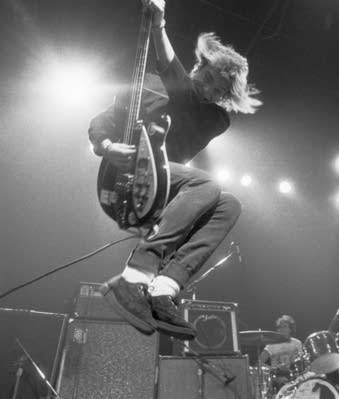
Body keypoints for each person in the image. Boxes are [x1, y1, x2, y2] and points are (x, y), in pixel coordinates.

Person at [88, 0, 261, 340]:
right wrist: (108, 148)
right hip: (121, 183)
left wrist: (159, 26)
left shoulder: (216, 119)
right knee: (208, 185)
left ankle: (164, 287)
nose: (209, 92)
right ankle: (136, 275)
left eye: (219, 91)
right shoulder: (147, 83)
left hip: (164, 189)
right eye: (208, 79)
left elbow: (179, 86)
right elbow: (100, 124)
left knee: (231, 203)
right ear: (200, 67)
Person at [259, 315, 304, 387]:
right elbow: (259, 363)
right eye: (280, 327)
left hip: (295, 376)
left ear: (291, 329)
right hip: (277, 377)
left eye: (285, 326)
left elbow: (302, 363)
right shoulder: (271, 344)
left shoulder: (297, 343)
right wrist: (275, 369)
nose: (281, 329)